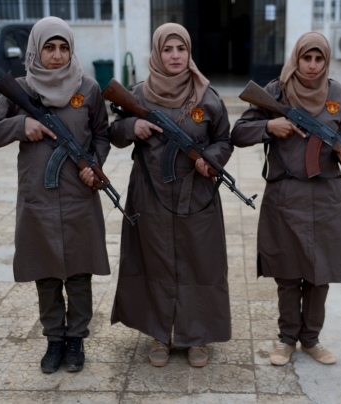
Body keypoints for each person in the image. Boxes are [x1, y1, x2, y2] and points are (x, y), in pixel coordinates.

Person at [83, 22, 232, 368]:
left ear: (189, 52)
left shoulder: (206, 95)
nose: (175, 56)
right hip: (150, 193)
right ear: (157, 52)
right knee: (155, 260)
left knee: (200, 262)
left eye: (181, 49)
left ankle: (197, 336)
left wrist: (211, 161)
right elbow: (111, 131)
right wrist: (130, 127)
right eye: (168, 49)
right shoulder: (138, 94)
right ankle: (159, 335)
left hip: (197, 195)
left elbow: (225, 139)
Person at [0, 17, 111, 373]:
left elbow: (102, 133)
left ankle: (76, 340)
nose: (56, 56)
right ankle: (54, 340)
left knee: (80, 273)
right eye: (49, 48)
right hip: (38, 198)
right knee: (47, 273)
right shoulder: (19, 89)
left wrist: (93, 166)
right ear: (36, 50)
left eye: (63, 48)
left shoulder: (88, 88)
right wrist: (21, 125)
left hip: (79, 197)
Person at [231, 32, 341, 366]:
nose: (312, 66)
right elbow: (238, 133)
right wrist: (270, 126)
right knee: (287, 273)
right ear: (296, 58)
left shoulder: (338, 94)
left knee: (321, 273)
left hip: (326, 196)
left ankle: (311, 340)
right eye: (306, 58)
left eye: (319, 59)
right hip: (285, 195)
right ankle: (286, 340)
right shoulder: (275, 91)